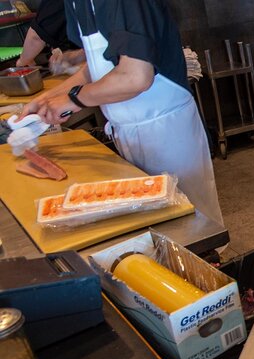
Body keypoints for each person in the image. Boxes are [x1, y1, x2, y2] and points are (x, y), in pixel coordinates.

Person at [23, 0, 224, 226]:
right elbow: (100, 64)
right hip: (127, 130)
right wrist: (46, 101)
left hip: (166, 128)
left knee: (190, 223)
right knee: (156, 223)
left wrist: (73, 99)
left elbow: (135, 77)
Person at [16, 0, 81, 68]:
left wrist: (22, 62)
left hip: (80, 62)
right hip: (82, 56)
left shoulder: (53, 3)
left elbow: (36, 37)